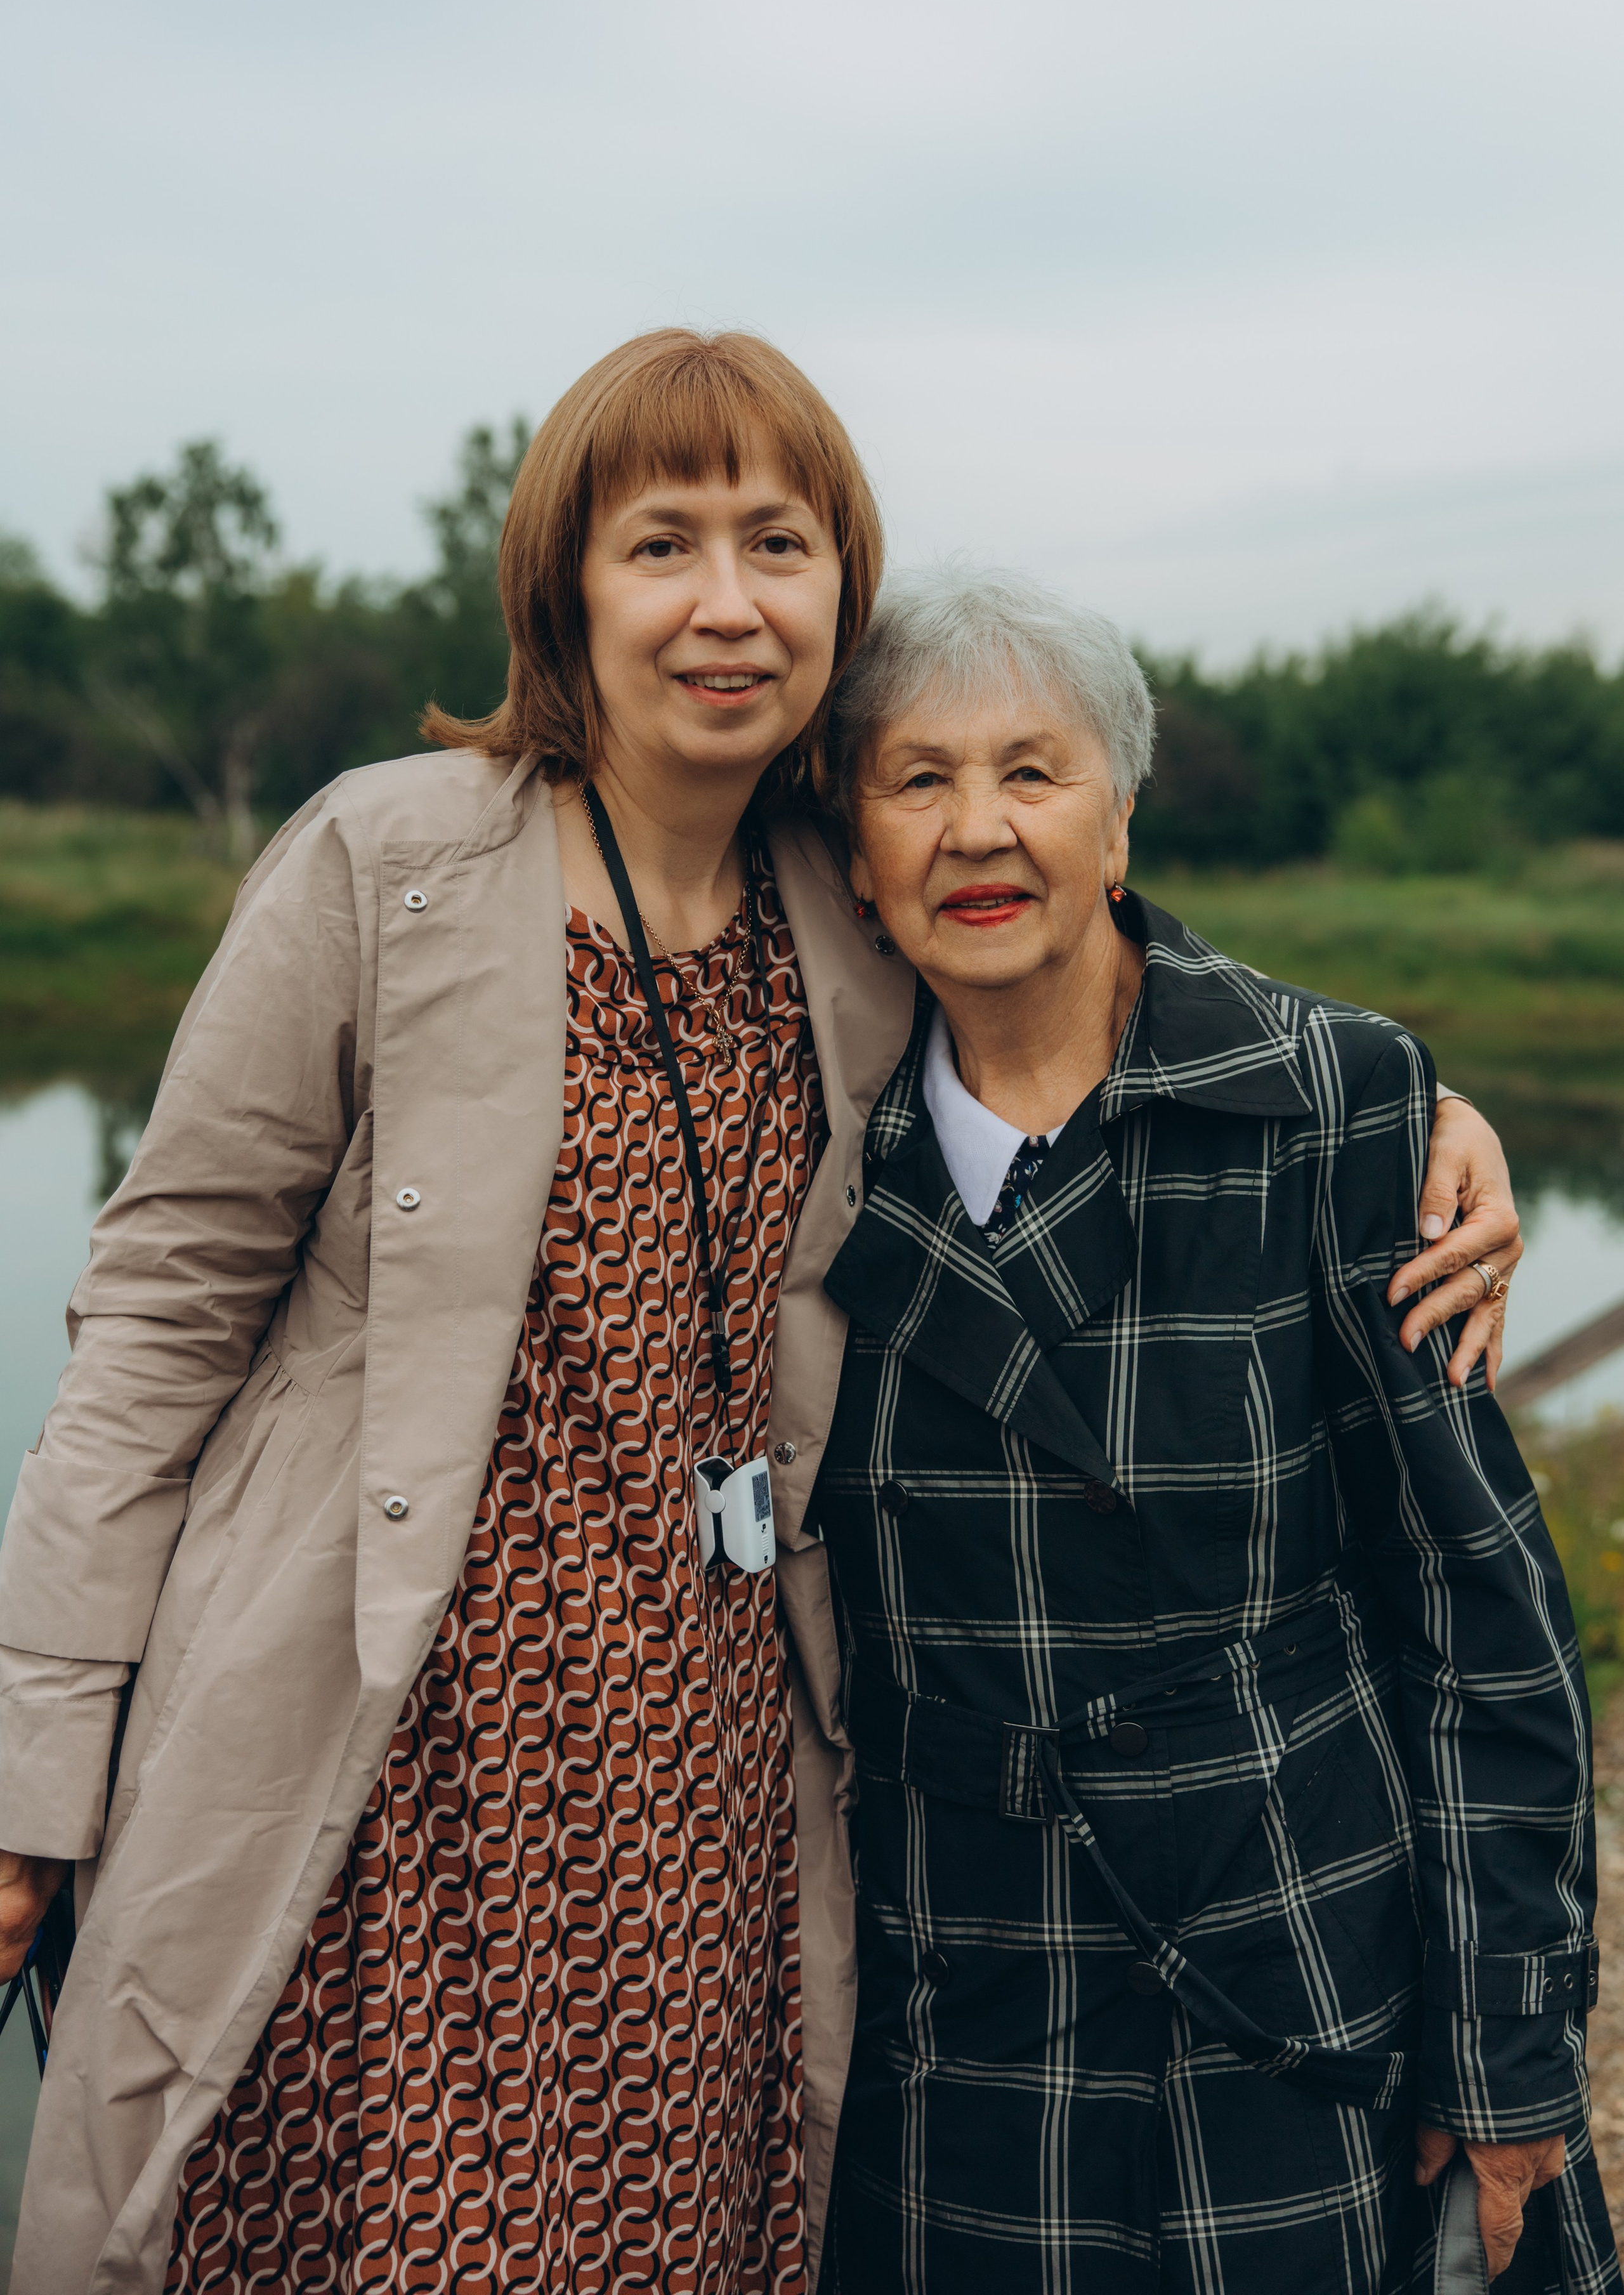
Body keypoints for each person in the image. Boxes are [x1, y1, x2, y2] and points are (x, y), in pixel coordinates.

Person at [0, 336, 1521, 2295]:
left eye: (779, 543)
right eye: (663, 544)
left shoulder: (843, 893)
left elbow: (1067, 913)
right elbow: (150, 1333)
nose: (726, 601)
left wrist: (1412, 1103)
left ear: (838, 593)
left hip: (715, 1806)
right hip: (386, 1786)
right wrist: (35, 1775)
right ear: (569, 590)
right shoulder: (380, 868)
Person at [809, 566, 1613, 2294]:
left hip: (1303, 1993)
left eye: (1034, 772)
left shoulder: (1333, 1101)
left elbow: (1480, 1626)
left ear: (1120, 821)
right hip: (959, 2019)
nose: (979, 831)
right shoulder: (804, 1142)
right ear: (855, 855)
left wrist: (1510, 2057)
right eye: (918, 780)